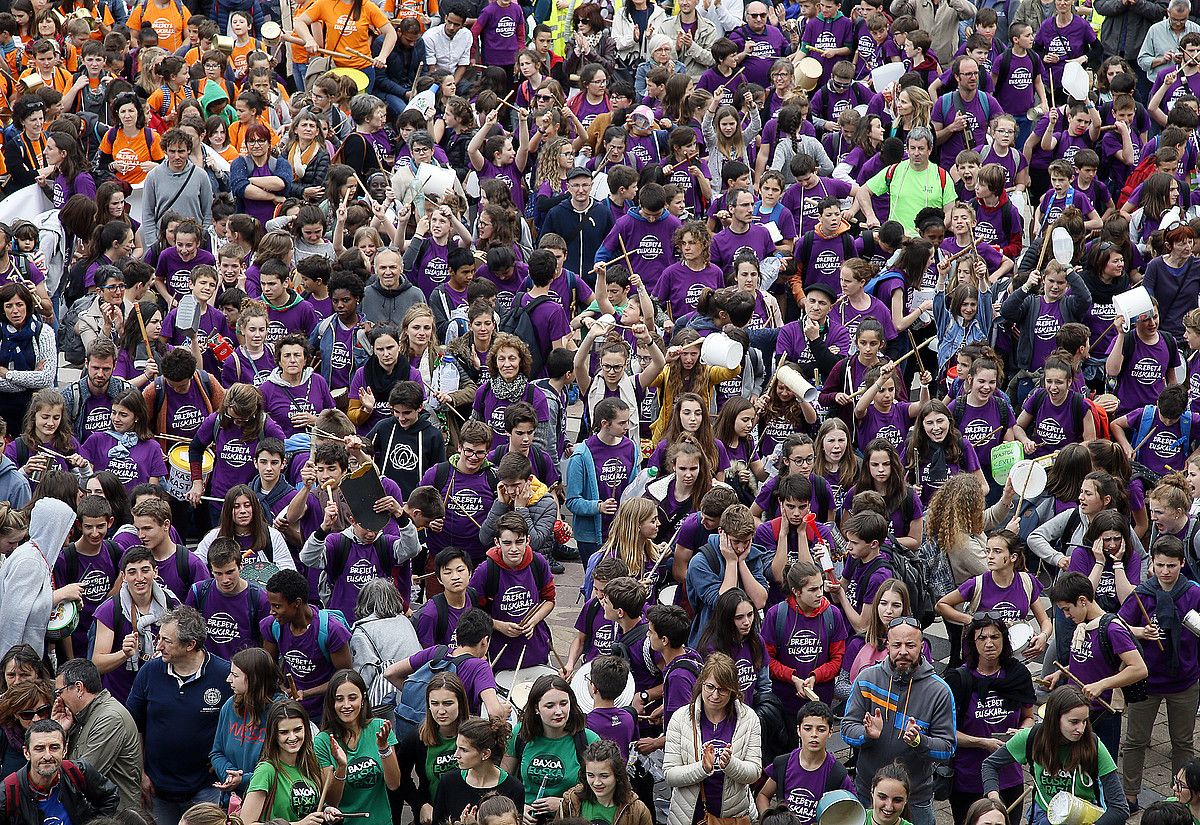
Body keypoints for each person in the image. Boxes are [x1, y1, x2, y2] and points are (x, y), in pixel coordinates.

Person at [841, 616, 956, 825]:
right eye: (897, 645)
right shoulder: (867, 679)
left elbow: (947, 748)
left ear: (922, 646)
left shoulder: (939, 691)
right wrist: (865, 735)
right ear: (888, 645)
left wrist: (921, 742)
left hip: (915, 798)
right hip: (870, 793)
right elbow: (846, 729)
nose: (903, 651)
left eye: (910, 645)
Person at [127, 606, 233, 825]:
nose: (158, 645)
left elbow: (242, 719)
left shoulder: (224, 675)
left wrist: (224, 758)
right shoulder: (150, 672)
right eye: (159, 637)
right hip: (157, 790)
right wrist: (140, 772)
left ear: (190, 645)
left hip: (206, 789)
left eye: (167, 640)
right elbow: (133, 726)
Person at [1117, 534, 1200, 810]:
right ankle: (1129, 795)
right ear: (1152, 563)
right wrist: (1141, 631)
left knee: (1183, 743)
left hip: (1185, 681)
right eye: (1160, 565)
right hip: (1146, 681)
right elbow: (1116, 626)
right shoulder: (1142, 594)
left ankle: (1181, 798)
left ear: (1182, 564)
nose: (1165, 571)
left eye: (1172, 566)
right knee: (1135, 741)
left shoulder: (1193, 593)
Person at [983, 686, 1129, 825]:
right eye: (1074, 722)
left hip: (1083, 817)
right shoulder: (1031, 737)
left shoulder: (1093, 745)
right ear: (1054, 718)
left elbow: (1120, 808)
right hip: (1043, 816)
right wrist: (994, 799)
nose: (1081, 729)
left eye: (1085, 721)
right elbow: (990, 764)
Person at [1044, 572, 1149, 760]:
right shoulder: (1085, 624)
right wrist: (1063, 673)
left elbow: (1139, 669)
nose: (1067, 616)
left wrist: (1102, 684)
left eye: (1068, 609)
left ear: (1083, 601)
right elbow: (1091, 659)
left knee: (1099, 771)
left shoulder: (1113, 629)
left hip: (1102, 714)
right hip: (1077, 708)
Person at [944, 615, 1036, 821]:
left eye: (995, 637)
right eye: (982, 638)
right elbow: (945, 731)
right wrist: (981, 742)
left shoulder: (1018, 674)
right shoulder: (958, 679)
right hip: (968, 778)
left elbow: (1028, 717)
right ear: (972, 643)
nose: (989, 643)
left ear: (1004, 640)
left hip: (1009, 776)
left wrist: (1022, 732)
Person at [663, 652, 761, 825]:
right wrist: (702, 768)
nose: (715, 695)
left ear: (733, 691)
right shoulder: (681, 718)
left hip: (732, 817)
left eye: (722, 690)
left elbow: (754, 772)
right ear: (701, 684)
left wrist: (731, 765)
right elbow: (670, 774)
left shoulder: (749, 718)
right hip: (689, 818)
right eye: (710, 687)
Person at [90, 546, 180, 704]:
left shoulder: (171, 605)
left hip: (162, 696)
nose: (140, 578)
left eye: (145, 570)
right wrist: (124, 654)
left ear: (155, 572)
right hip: (121, 699)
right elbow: (96, 664)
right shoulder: (110, 609)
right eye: (132, 572)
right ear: (123, 576)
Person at [261, 570, 353, 723]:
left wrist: (306, 693)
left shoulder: (331, 630)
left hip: (326, 713)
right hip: (289, 712)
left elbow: (345, 677)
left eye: (277, 606)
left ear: (296, 603)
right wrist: (280, 688)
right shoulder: (272, 626)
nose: (272, 612)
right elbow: (268, 669)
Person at [49, 658, 142, 810]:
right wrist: (60, 731)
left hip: (117, 817)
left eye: (60, 692)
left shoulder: (110, 718)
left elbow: (80, 777)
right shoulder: (80, 716)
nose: (58, 698)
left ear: (79, 688)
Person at [501, 674, 600, 816]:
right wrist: (518, 808)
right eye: (550, 706)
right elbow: (503, 780)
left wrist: (564, 803)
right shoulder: (520, 733)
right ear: (536, 708)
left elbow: (601, 790)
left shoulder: (588, 739)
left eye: (564, 703)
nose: (559, 711)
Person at [314, 669, 401, 822]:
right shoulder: (323, 740)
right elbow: (332, 801)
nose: (346, 705)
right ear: (332, 703)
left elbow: (394, 784)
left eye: (352, 698)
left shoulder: (379, 727)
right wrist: (341, 767)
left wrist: (383, 748)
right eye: (339, 699)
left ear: (363, 699)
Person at [0, 719, 119, 825]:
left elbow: (110, 797)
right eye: (39, 748)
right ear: (26, 752)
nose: (47, 756)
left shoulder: (78, 772)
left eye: (54, 747)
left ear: (65, 750)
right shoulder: (8, 791)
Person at [0, 497, 76, 658]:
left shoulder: (38, 557)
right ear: (53, 528)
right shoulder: (29, 561)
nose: (70, 532)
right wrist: (60, 595)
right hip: (18, 662)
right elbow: (14, 617)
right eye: (65, 526)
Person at [396, 672, 470, 823]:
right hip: (432, 815)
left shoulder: (475, 733)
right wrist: (421, 805)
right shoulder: (416, 738)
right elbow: (399, 778)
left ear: (460, 702)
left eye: (448, 703)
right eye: (435, 704)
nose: (441, 711)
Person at [209, 647, 282, 800]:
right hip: (233, 799)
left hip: (268, 799)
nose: (228, 679)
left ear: (254, 679)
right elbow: (217, 752)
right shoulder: (230, 705)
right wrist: (230, 776)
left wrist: (244, 779)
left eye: (235, 675)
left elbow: (283, 765)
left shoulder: (281, 712)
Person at [238, 700, 324, 825]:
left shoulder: (309, 763)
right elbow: (246, 822)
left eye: (297, 729)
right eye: (284, 732)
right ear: (274, 735)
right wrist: (299, 824)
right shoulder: (266, 770)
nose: (292, 737)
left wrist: (326, 811)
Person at [857, 129, 955, 233]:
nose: (916, 153)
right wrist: (870, 216)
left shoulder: (942, 176)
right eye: (912, 148)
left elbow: (950, 211)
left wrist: (935, 233)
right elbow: (863, 192)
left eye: (921, 148)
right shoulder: (893, 171)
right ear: (907, 149)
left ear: (929, 150)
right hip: (897, 243)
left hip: (926, 244)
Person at [431, 717, 525, 824]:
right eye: (457, 747)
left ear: (485, 754)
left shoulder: (513, 788)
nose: (456, 755)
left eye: (464, 750)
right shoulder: (449, 781)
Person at [141, 129, 213, 250]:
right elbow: (147, 213)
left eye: (181, 151)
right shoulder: (153, 176)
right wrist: (153, 243)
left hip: (193, 245)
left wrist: (202, 239)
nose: (177, 156)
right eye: (172, 151)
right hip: (163, 244)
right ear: (165, 151)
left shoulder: (201, 175)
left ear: (188, 151)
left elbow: (208, 212)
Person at [59, 338, 131, 443]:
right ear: (86, 363)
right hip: (81, 455)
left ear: (114, 365)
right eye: (96, 368)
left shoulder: (126, 391)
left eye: (106, 369)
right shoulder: (71, 396)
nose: (100, 374)